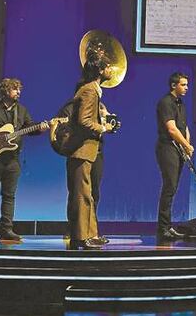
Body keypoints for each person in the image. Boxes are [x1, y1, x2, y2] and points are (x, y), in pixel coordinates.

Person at [0, 77, 48, 243]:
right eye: (15, 89)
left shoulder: (21, 111)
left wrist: (41, 129)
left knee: (9, 196)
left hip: (12, 160)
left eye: (19, 89)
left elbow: (30, 128)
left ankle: (6, 229)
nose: (18, 92)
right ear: (5, 90)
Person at [63, 52, 118, 250]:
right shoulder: (89, 91)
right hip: (81, 149)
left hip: (87, 150)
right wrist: (103, 128)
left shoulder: (93, 90)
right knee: (82, 194)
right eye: (108, 67)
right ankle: (80, 237)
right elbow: (84, 121)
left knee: (87, 194)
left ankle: (89, 235)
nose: (111, 70)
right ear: (100, 70)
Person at [155, 72, 193, 242]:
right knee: (169, 186)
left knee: (173, 187)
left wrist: (187, 147)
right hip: (167, 148)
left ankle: (167, 226)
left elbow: (184, 127)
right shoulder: (166, 103)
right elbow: (171, 129)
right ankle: (163, 228)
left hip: (178, 149)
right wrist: (186, 145)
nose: (186, 88)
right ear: (173, 85)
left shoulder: (181, 104)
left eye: (187, 85)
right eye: (183, 85)